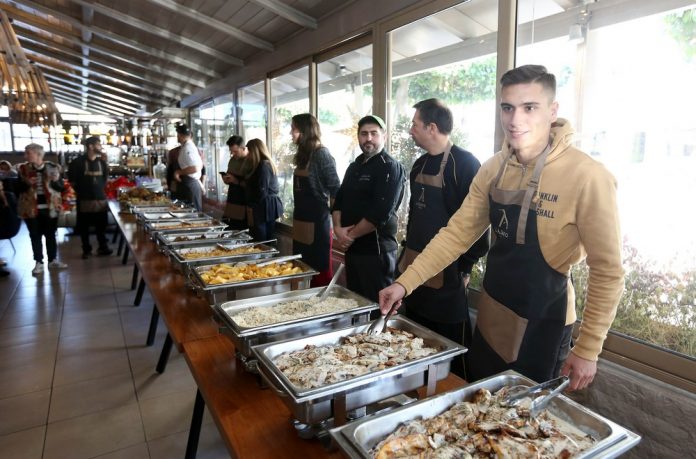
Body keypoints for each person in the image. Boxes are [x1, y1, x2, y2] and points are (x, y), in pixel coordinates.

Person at [379, 65, 624, 391]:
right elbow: (456, 234)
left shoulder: (587, 176)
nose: (515, 119)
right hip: (493, 316)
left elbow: (608, 271)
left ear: (552, 111)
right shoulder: (493, 168)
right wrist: (404, 283)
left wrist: (588, 348)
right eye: (507, 107)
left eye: (529, 107)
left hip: (544, 326)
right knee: (480, 404)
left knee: (522, 419)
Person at [398, 99, 490, 378]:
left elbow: (477, 228)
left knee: (452, 352)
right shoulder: (418, 166)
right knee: (415, 342)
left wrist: (465, 268)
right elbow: (414, 217)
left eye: (414, 124)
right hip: (414, 269)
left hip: (448, 275)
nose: (411, 130)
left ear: (432, 127)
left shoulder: (465, 164)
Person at [332, 115, 405, 302]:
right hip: (353, 249)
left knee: (377, 305)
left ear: (384, 137)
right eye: (364, 134)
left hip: (376, 252)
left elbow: (380, 213)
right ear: (358, 137)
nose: (368, 138)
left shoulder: (390, 167)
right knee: (355, 301)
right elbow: (338, 202)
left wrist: (348, 237)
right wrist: (338, 229)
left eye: (374, 133)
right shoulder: (354, 166)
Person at [290, 113, 341, 286]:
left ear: (305, 131)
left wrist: (337, 224)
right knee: (300, 270)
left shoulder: (322, 154)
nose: (291, 133)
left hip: (318, 225)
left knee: (320, 273)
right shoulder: (304, 155)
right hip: (301, 224)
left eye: (293, 129)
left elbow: (335, 189)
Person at [16, 144, 68, 274]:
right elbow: (17, 189)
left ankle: (52, 260)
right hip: (30, 208)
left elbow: (61, 188)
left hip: (50, 207)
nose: (25, 156)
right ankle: (38, 262)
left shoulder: (53, 167)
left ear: (38, 154)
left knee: (50, 235)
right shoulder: (23, 169)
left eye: (28, 153)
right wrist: (27, 183)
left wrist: (55, 180)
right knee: (35, 235)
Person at [68, 136, 113, 259]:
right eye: (98, 144)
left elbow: (105, 179)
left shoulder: (102, 163)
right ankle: (86, 249)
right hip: (84, 199)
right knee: (84, 226)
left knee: (101, 225)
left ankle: (103, 247)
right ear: (90, 146)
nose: (100, 147)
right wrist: (83, 192)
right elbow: (72, 181)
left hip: (100, 198)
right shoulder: (77, 162)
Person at [243, 139, 283, 241]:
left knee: (260, 239)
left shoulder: (263, 165)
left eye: (249, 151)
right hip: (267, 205)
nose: (248, 154)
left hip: (263, 206)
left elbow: (262, 190)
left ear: (255, 151)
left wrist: (252, 206)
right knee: (264, 238)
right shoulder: (264, 164)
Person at [221, 135, 252, 230]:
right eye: (231, 151)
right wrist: (226, 179)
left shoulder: (251, 160)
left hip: (245, 200)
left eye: (235, 151)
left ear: (243, 148)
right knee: (230, 226)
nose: (232, 154)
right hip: (232, 198)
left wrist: (236, 181)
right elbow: (229, 174)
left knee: (241, 228)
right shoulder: (233, 160)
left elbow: (253, 184)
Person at [172, 123, 203, 211]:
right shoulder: (186, 146)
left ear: (181, 135)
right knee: (188, 211)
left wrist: (178, 172)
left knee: (193, 213)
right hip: (188, 183)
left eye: (178, 134)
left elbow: (196, 167)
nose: (177, 137)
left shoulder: (188, 148)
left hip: (190, 184)